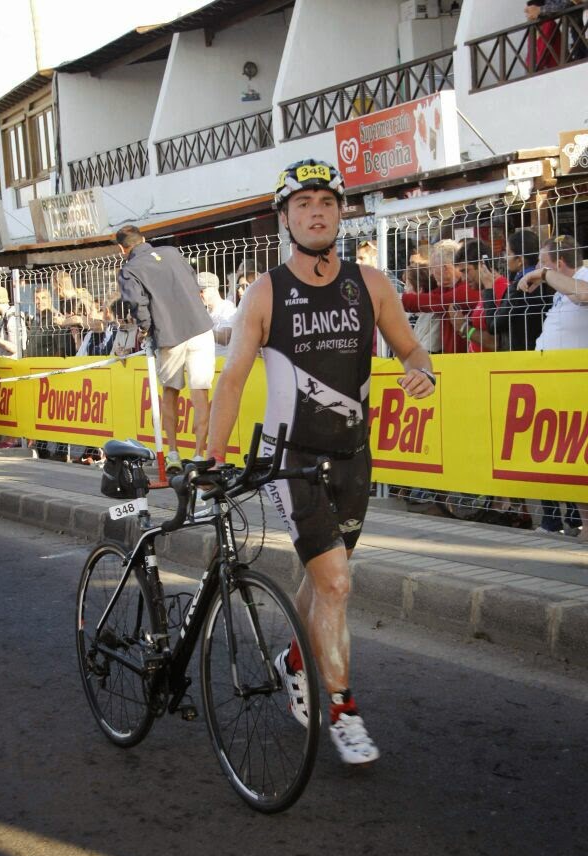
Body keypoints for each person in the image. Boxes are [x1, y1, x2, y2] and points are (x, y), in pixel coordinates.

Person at [205, 158, 436, 765]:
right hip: (290, 459)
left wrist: (423, 373)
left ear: (340, 213)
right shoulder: (265, 292)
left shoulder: (371, 284)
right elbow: (232, 381)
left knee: (322, 580)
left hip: (353, 457)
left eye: (327, 203)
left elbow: (413, 350)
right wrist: (212, 457)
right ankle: (342, 709)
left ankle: (293, 660)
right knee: (336, 582)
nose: (316, 213)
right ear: (285, 218)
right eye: (303, 204)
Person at [116, 225, 215, 472]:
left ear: (121, 249)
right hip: (200, 327)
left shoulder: (129, 269)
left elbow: (136, 304)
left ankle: (173, 453)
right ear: (144, 239)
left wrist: (146, 329)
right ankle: (200, 454)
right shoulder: (171, 252)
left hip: (169, 334)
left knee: (170, 393)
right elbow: (192, 281)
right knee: (200, 393)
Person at [517, 233, 588, 540]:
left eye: (543, 263)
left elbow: (583, 295)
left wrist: (544, 275)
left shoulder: (583, 277)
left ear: (558, 263)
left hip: (577, 384)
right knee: (570, 457)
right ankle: (583, 524)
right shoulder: (561, 286)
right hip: (559, 384)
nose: (537, 269)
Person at [401, 239, 477, 354]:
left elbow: (435, 301)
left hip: (469, 357)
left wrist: (394, 299)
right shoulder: (447, 288)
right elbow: (429, 298)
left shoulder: (467, 288)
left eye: (432, 268)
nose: (431, 273)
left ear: (445, 268)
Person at [483, 229, 551, 351]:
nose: (505, 258)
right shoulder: (546, 281)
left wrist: (488, 288)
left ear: (520, 260)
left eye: (508, 253)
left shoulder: (519, 288)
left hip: (521, 353)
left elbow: (494, 326)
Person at [450, 240, 508, 352]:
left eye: (466, 271)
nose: (463, 278)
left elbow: (496, 342)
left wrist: (463, 327)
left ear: (482, 265)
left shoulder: (501, 290)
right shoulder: (487, 289)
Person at [197, 271, 237, 356]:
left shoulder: (227, 307)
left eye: (202, 291)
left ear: (214, 289)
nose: (198, 295)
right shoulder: (206, 311)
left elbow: (225, 338)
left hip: (223, 360)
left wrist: (200, 329)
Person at [525, 0, 562, 71]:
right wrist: (529, 67)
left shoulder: (549, 24)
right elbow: (530, 52)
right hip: (540, 68)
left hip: (553, 68)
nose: (527, 15)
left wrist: (536, 67)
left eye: (529, 11)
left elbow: (545, 49)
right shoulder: (532, 30)